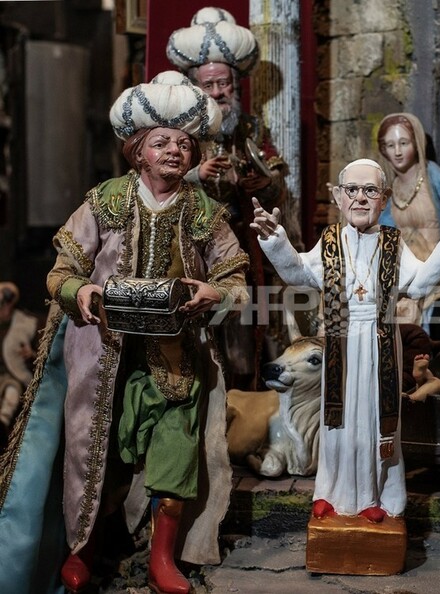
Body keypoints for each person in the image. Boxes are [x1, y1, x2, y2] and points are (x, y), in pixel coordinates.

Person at [0, 73, 249, 594]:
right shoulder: (105, 200)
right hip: (104, 354)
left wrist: (217, 292)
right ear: (138, 151)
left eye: (184, 144)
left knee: (175, 448)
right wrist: (80, 292)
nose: (174, 151)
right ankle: (82, 549)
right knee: (93, 449)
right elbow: (61, 272)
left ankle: (162, 558)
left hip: (175, 357)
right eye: (161, 143)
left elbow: (236, 281)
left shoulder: (203, 211)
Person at [251, 158, 440, 521]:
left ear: (383, 199)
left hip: (378, 344)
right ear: (338, 198)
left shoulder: (392, 243)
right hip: (338, 343)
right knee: (336, 425)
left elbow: (419, 284)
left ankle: (375, 495)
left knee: (374, 425)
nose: (360, 197)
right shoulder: (330, 242)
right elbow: (298, 273)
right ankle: (329, 492)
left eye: (370, 190)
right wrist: (273, 239)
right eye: (352, 190)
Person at [167, 6, 289, 390]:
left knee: (243, 330)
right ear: (195, 89)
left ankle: (243, 396)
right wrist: (196, 175)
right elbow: (158, 181)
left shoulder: (250, 128)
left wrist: (264, 183)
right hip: (193, 245)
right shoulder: (180, 132)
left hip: (242, 246)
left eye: (225, 84)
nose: (219, 92)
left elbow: (276, 183)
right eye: (210, 86)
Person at [376, 113, 440, 335]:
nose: (397, 151)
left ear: (416, 144)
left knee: (433, 311)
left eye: (404, 143)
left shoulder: (432, 174)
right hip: (407, 267)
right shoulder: (390, 188)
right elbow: (386, 233)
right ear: (383, 150)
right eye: (391, 145)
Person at [0, 281, 37, 449]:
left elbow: (38, 355)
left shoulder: (25, 324)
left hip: (12, 374)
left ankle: (2, 422)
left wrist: (31, 354)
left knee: (12, 392)